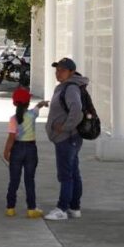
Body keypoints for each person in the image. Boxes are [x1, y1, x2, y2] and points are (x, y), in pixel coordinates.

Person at [44, 58, 88, 220]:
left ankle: (62, 209)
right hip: (69, 138)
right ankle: (74, 207)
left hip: (67, 138)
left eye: (62, 70)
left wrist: (65, 127)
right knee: (73, 172)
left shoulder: (70, 88)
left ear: (71, 72)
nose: (58, 73)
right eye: (57, 70)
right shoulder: (66, 87)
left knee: (65, 175)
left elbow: (77, 110)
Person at [4, 87, 48, 218]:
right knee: (29, 180)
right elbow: (37, 107)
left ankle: (10, 208)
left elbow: (11, 137)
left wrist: (6, 151)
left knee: (14, 180)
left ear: (14, 103)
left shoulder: (13, 119)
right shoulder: (32, 115)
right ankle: (31, 209)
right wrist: (43, 103)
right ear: (28, 103)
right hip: (30, 150)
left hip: (16, 149)